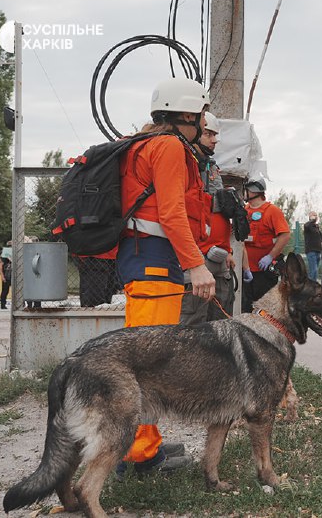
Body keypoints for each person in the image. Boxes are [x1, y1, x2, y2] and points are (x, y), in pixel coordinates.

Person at [115, 77, 216, 474]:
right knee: (145, 363)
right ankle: (135, 454)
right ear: (188, 115)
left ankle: (146, 445)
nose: (202, 126)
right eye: (201, 118)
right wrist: (196, 265)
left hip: (148, 260)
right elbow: (172, 213)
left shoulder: (145, 143)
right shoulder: (170, 146)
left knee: (148, 359)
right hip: (154, 262)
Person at [180, 111, 237, 323]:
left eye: (216, 135)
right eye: (209, 134)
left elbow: (217, 210)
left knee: (221, 324)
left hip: (218, 258)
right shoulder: (183, 162)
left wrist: (228, 250)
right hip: (195, 259)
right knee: (192, 327)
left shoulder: (211, 166)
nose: (215, 140)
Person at [241, 178, 290, 312]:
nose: (243, 193)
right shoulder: (243, 211)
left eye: (245, 190)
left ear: (253, 191)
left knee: (264, 308)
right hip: (246, 270)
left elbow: (285, 235)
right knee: (245, 307)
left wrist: (270, 256)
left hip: (264, 271)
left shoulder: (272, 211)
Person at [303, 211, 321, 281]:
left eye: (316, 215)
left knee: (315, 271)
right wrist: (312, 220)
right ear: (310, 217)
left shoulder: (316, 227)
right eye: (313, 215)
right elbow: (306, 225)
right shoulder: (307, 226)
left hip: (318, 251)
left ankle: (313, 285)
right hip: (311, 251)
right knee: (314, 270)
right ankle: (311, 287)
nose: (315, 217)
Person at [0, 241, 12, 309]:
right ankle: (3, 304)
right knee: (5, 290)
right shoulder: (5, 255)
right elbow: (0, 264)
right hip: (8, 273)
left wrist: (2, 275)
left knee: (5, 290)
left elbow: (0, 265)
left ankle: (3, 304)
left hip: (7, 274)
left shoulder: (4, 254)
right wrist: (2, 276)